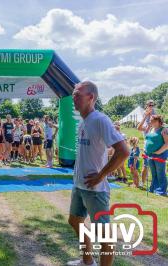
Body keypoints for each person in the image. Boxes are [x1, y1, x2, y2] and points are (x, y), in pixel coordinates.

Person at [68, 81, 129, 266]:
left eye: (78, 94)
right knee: (75, 221)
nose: (74, 98)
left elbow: (123, 151)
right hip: (79, 184)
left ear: (91, 97)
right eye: (73, 95)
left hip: (95, 189)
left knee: (104, 235)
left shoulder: (100, 120)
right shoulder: (84, 121)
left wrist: (101, 175)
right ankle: (87, 261)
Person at [138, 113, 168, 195]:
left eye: (154, 121)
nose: (152, 122)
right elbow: (139, 128)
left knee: (160, 173)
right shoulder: (151, 129)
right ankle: (153, 188)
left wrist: (158, 152)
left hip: (160, 155)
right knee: (153, 173)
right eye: (151, 121)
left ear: (159, 121)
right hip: (150, 155)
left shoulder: (164, 130)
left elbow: (167, 144)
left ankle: (162, 191)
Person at [139, 100, 156, 187]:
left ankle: (154, 184)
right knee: (145, 165)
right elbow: (141, 128)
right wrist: (147, 115)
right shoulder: (145, 116)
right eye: (149, 105)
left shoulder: (154, 113)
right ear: (146, 105)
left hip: (156, 146)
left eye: (152, 105)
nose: (151, 106)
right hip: (148, 146)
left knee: (154, 167)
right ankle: (142, 182)